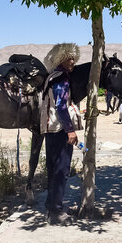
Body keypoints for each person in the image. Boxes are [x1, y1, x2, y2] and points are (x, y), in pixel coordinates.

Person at [40, 43, 81, 225]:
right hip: (60, 130)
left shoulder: (52, 76)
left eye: (73, 58)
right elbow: (61, 106)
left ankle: (51, 207)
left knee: (52, 168)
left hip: (50, 129)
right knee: (61, 170)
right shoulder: (62, 78)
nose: (72, 62)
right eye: (68, 58)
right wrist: (70, 130)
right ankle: (57, 212)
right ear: (61, 60)